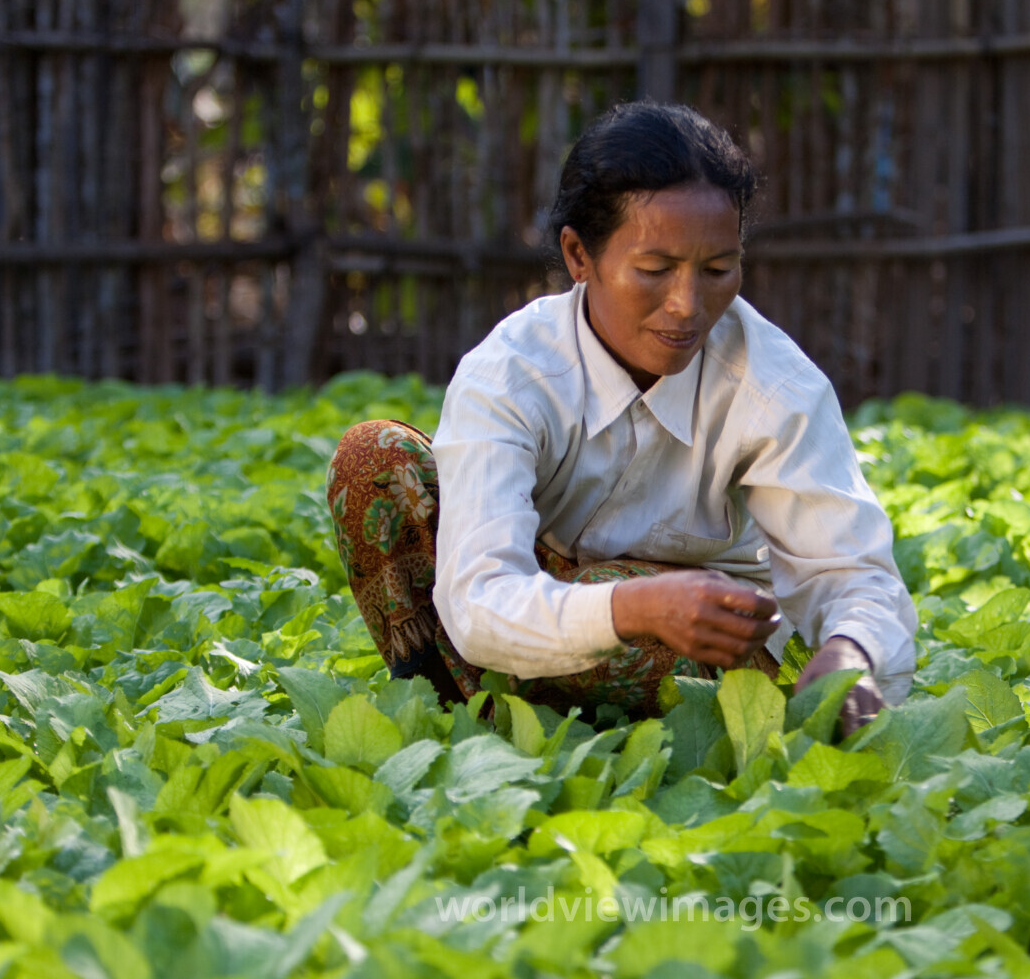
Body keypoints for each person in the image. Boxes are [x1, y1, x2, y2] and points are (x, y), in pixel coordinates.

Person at [326, 101, 916, 737]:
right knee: (372, 460)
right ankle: (470, 721)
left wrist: (850, 657)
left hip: (705, 656)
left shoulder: (775, 383)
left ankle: (566, 726)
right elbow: (476, 603)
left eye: (719, 270)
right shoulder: (511, 373)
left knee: (651, 601)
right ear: (579, 257)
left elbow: (855, 574)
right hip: (522, 633)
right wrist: (630, 606)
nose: (688, 305)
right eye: (655, 269)